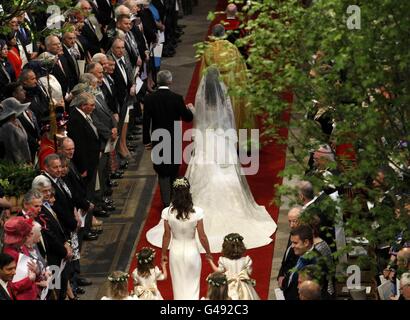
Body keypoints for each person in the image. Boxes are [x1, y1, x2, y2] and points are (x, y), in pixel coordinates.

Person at [146, 67, 276, 252]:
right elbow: (229, 118)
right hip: (222, 139)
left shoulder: (201, 100)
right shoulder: (224, 98)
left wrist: (192, 111)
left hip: (206, 140)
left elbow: (197, 120)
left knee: (201, 175)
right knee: (226, 174)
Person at [143, 70, 194, 208]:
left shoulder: (149, 98)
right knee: (173, 168)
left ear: (158, 81)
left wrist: (146, 140)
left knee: (161, 170)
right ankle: (175, 199)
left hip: (157, 138)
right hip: (174, 138)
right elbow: (188, 118)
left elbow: (146, 121)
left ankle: (166, 203)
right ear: (170, 81)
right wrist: (190, 109)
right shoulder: (176, 98)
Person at [159, 177, 212, 300]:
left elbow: (166, 235)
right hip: (192, 252)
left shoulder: (167, 212)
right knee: (193, 287)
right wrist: (208, 252)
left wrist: (163, 253)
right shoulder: (197, 212)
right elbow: (202, 236)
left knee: (178, 288)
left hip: (175, 253)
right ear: (188, 192)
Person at [200, 24, 252, 130]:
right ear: (224, 34)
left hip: (214, 84)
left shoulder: (208, 50)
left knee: (216, 111)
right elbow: (240, 69)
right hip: (231, 83)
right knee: (232, 109)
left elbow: (203, 72)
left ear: (213, 34)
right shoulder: (232, 48)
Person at [207, 233, 259, 300]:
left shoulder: (223, 260)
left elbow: (218, 271)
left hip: (229, 285)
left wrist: (211, 261)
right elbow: (249, 273)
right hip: (244, 286)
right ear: (241, 247)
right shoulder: (246, 260)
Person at [277, 207, 301, 290]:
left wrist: (284, 281)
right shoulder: (293, 232)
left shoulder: (303, 240)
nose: (291, 225)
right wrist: (280, 275)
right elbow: (286, 257)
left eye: (294, 221)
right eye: (289, 221)